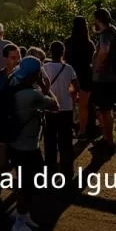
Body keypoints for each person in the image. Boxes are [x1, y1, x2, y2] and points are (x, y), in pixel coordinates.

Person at [6, 56, 58, 231]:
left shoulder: (12, 82)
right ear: (35, 74)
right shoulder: (32, 95)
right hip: (27, 146)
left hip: (12, 141)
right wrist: (46, 88)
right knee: (29, 182)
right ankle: (19, 223)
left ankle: (22, 213)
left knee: (24, 179)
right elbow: (55, 105)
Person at [0, 42, 22, 201]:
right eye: (13, 57)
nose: (16, 60)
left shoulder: (22, 77)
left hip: (17, 126)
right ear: (5, 59)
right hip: (0, 126)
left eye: (18, 57)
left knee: (18, 162)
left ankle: (18, 192)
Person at [42, 41, 77, 180]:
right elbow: (75, 86)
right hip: (66, 108)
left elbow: (42, 87)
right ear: (63, 53)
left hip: (49, 108)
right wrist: (70, 96)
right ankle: (67, 170)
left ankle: (50, 169)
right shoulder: (68, 68)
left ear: (50, 51)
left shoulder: (44, 67)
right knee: (66, 141)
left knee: (49, 139)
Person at [91, 7, 116, 153]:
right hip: (114, 77)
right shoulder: (115, 32)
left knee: (105, 110)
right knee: (105, 110)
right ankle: (106, 138)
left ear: (98, 20)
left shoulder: (105, 35)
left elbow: (104, 51)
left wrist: (95, 66)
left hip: (105, 78)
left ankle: (109, 141)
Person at [64, 16, 96, 137]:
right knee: (84, 106)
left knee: (71, 104)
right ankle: (83, 130)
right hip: (86, 77)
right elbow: (92, 62)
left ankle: (70, 127)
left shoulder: (68, 42)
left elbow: (65, 59)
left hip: (71, 76)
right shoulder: (89, 44)